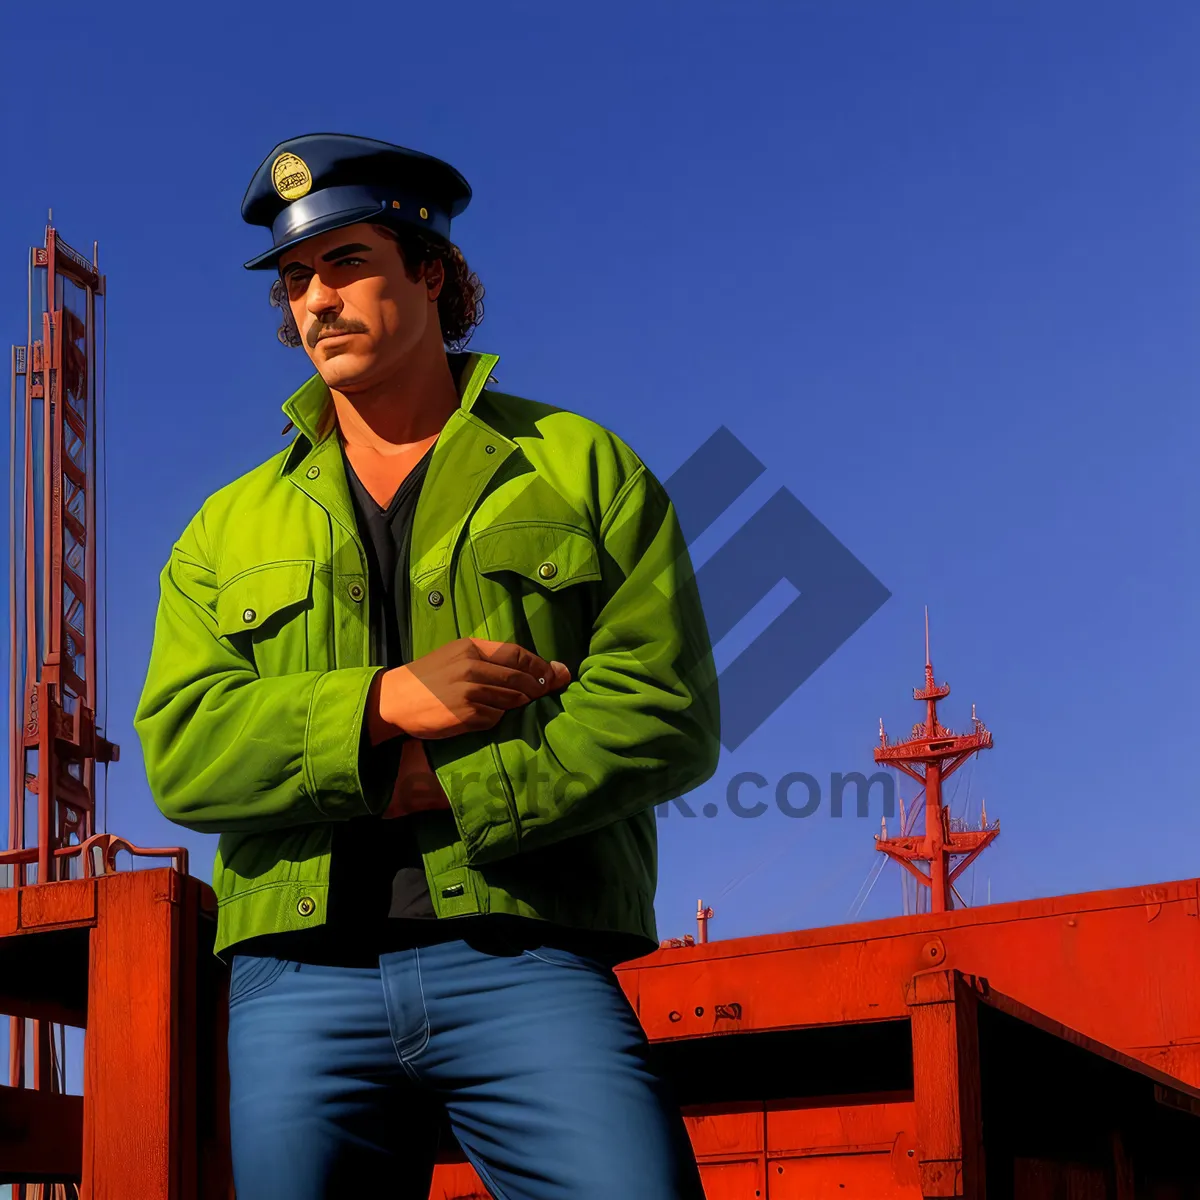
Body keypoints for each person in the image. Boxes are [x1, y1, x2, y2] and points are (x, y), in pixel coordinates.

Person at [134, 132, 720, 1199]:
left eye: (347, 263)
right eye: (296, 279)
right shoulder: (225, 528)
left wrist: (452, 785)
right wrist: (382, 706)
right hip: (297, 978)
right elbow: (182, 753)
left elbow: (663, 708)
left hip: (526, 954)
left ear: (431, 272)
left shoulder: (581, 468)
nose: (316, 298)